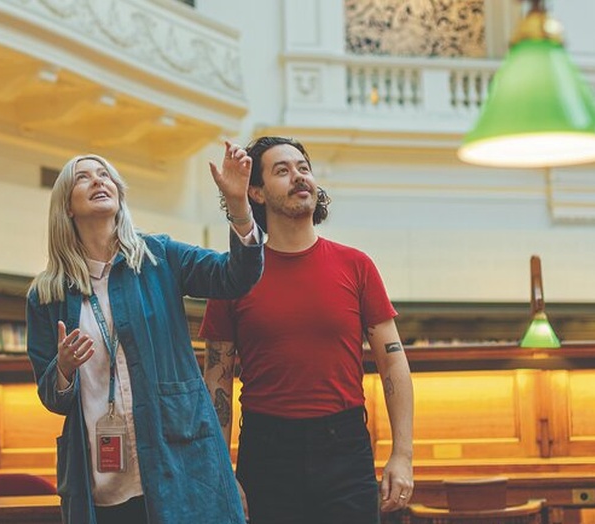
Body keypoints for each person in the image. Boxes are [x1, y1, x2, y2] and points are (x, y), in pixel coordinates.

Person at [25, 144, 262, 524]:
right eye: (83, 177)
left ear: (119, 194)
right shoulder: (46, 294)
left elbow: (236, 276)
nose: (97, 180)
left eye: (105, 175)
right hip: (101, 481)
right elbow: (51, 396)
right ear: (67, 206)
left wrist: (238, 207)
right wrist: (65, 369)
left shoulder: (159, 256)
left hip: (178, 462)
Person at [200, 136, 414, 524]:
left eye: (303, 168)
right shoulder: (232, 276)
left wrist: (403, 454)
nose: (299, 177)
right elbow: (217, 380)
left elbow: (393, 363)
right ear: (258, 194)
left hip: (345, 447)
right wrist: (220, 469)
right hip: (266, 452)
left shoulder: (356, 265)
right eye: (282, 170)